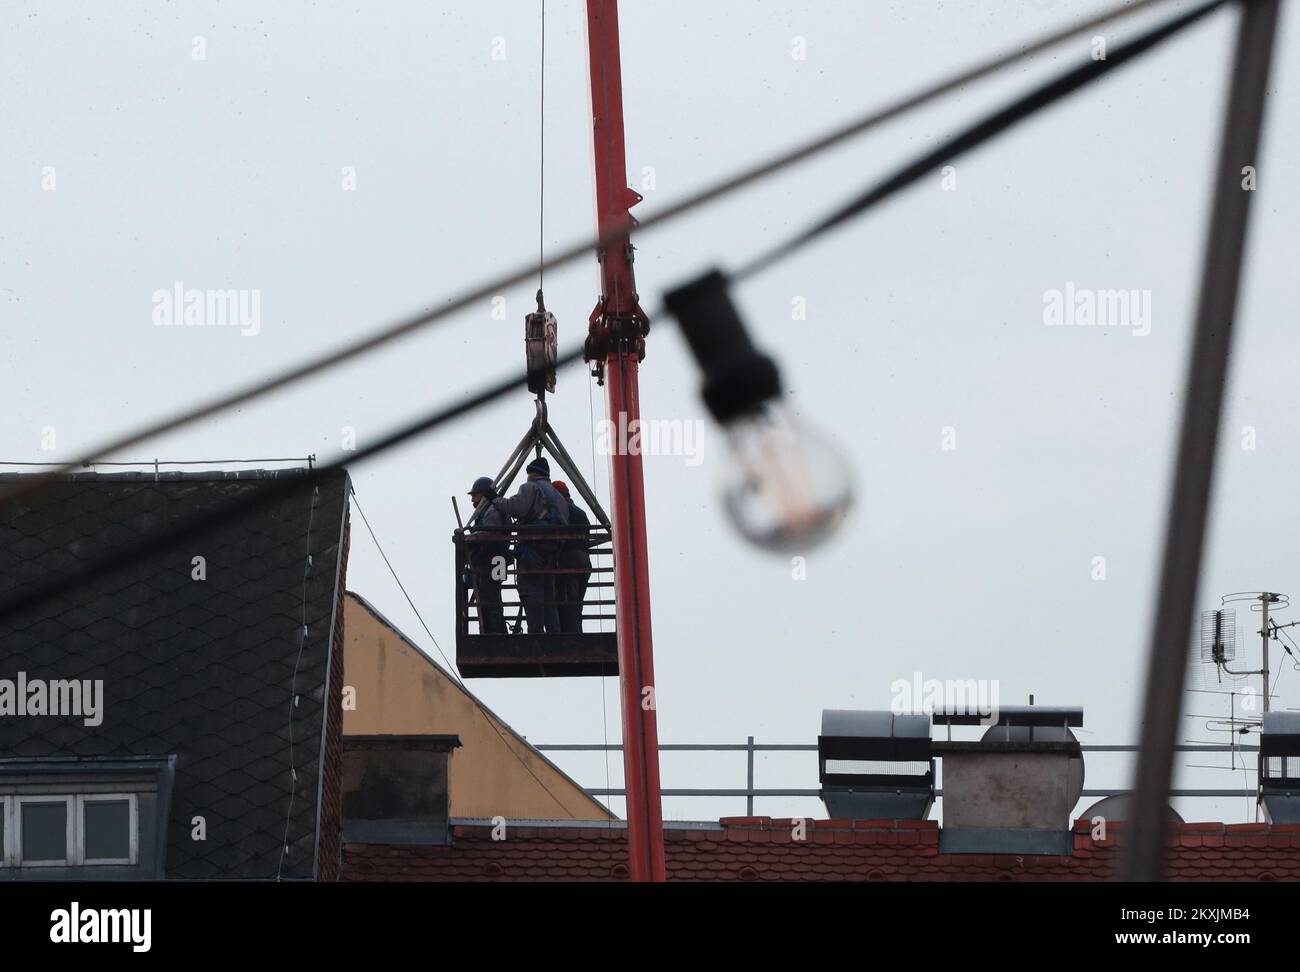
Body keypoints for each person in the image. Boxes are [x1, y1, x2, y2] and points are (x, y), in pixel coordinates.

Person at [496, 456, 568, 634]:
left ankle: (535, 636)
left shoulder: (530, 487)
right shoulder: (558, 497)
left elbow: (516, 507)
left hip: (532, 551)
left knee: (532, 595)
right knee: (549, 597)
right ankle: (554, 636)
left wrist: (495, 500)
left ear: (531, 473)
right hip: (552, 553)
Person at [464, 476, 511, 633]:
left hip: (492, 559)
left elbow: (491, 532)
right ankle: (494, 631)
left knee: (489, 597)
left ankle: (495, 633)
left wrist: (471, 538)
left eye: (474, 495)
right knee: (491, 596)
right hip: (496, 559)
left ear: (484, 494)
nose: (472, 500)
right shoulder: (490, 509)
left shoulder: (492, 509)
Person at [552, 481, 593, 634]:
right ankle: (576, 633)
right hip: (584, 561)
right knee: (576, 603)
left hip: (568, 561)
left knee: (567, 602)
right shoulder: (580, 512)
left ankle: (570, 635)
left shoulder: (561, 511)